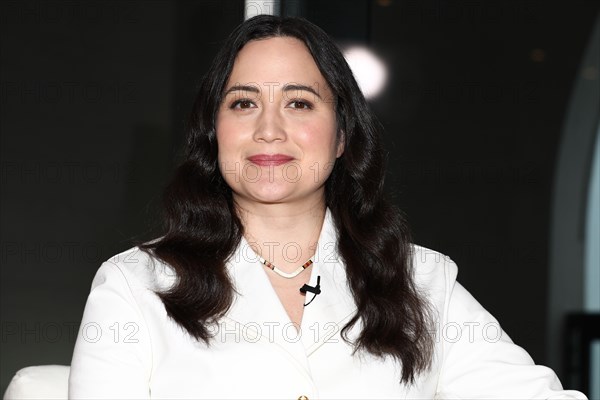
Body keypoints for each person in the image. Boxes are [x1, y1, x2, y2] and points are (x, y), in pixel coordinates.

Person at [68, 15, 587, 399]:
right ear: (213, 133)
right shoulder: (134, 287)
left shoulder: (423, 282)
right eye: (244, 103)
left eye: (299, 103)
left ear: (341, 136)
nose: (268, 129)